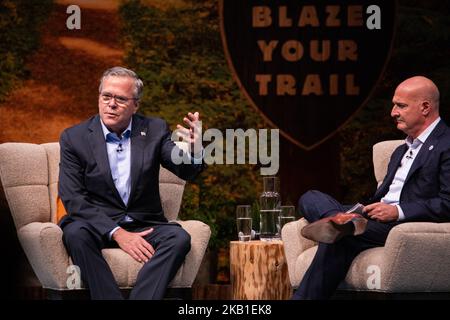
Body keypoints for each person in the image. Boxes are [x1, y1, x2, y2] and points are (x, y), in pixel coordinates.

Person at [293, 76, 450, 300]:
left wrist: (398, 211)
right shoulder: (400, 150)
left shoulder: (446, 145)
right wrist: (363, 211)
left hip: (402, 224)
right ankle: (340, 220)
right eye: (394, 105)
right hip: (372, 216)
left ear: (425, 107)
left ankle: (341, 226)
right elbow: (384, 194)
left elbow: (448, 202)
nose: (393, 112)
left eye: (401, 106)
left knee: (340, 239)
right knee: (310, 197)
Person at [58, 66, 205, 299]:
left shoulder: (154, 130)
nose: (111, 104)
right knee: (75, 233)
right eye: (106, 96)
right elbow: (72, 197)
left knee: (179, 238)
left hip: (143, 222)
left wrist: (196, 149)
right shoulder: (74, 138)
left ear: (136, 105)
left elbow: (185, 171)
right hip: (97, 223)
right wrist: (116, 232)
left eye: (120, 99)